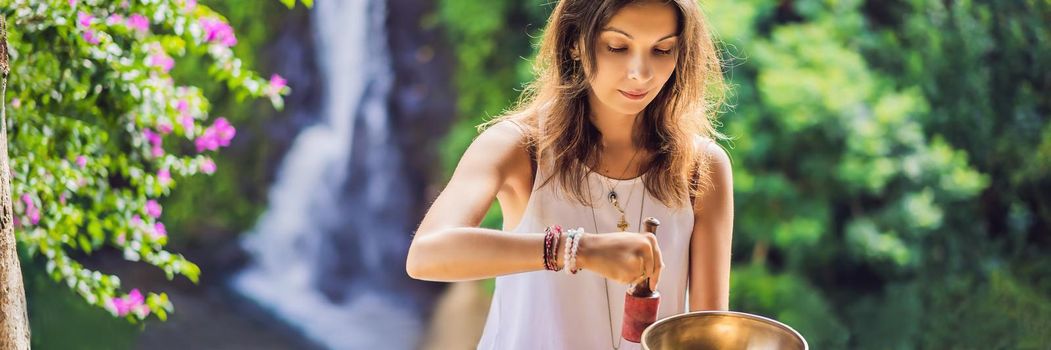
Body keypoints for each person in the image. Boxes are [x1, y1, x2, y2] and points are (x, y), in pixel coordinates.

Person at [406, 0, 733, 348]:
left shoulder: (701, 165)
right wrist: (579, 250)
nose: (642, 72)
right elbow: (427, 255)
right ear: (576, 43)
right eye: (617, 47)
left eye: (662, 49)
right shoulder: (520, 147)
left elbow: (708, 334)